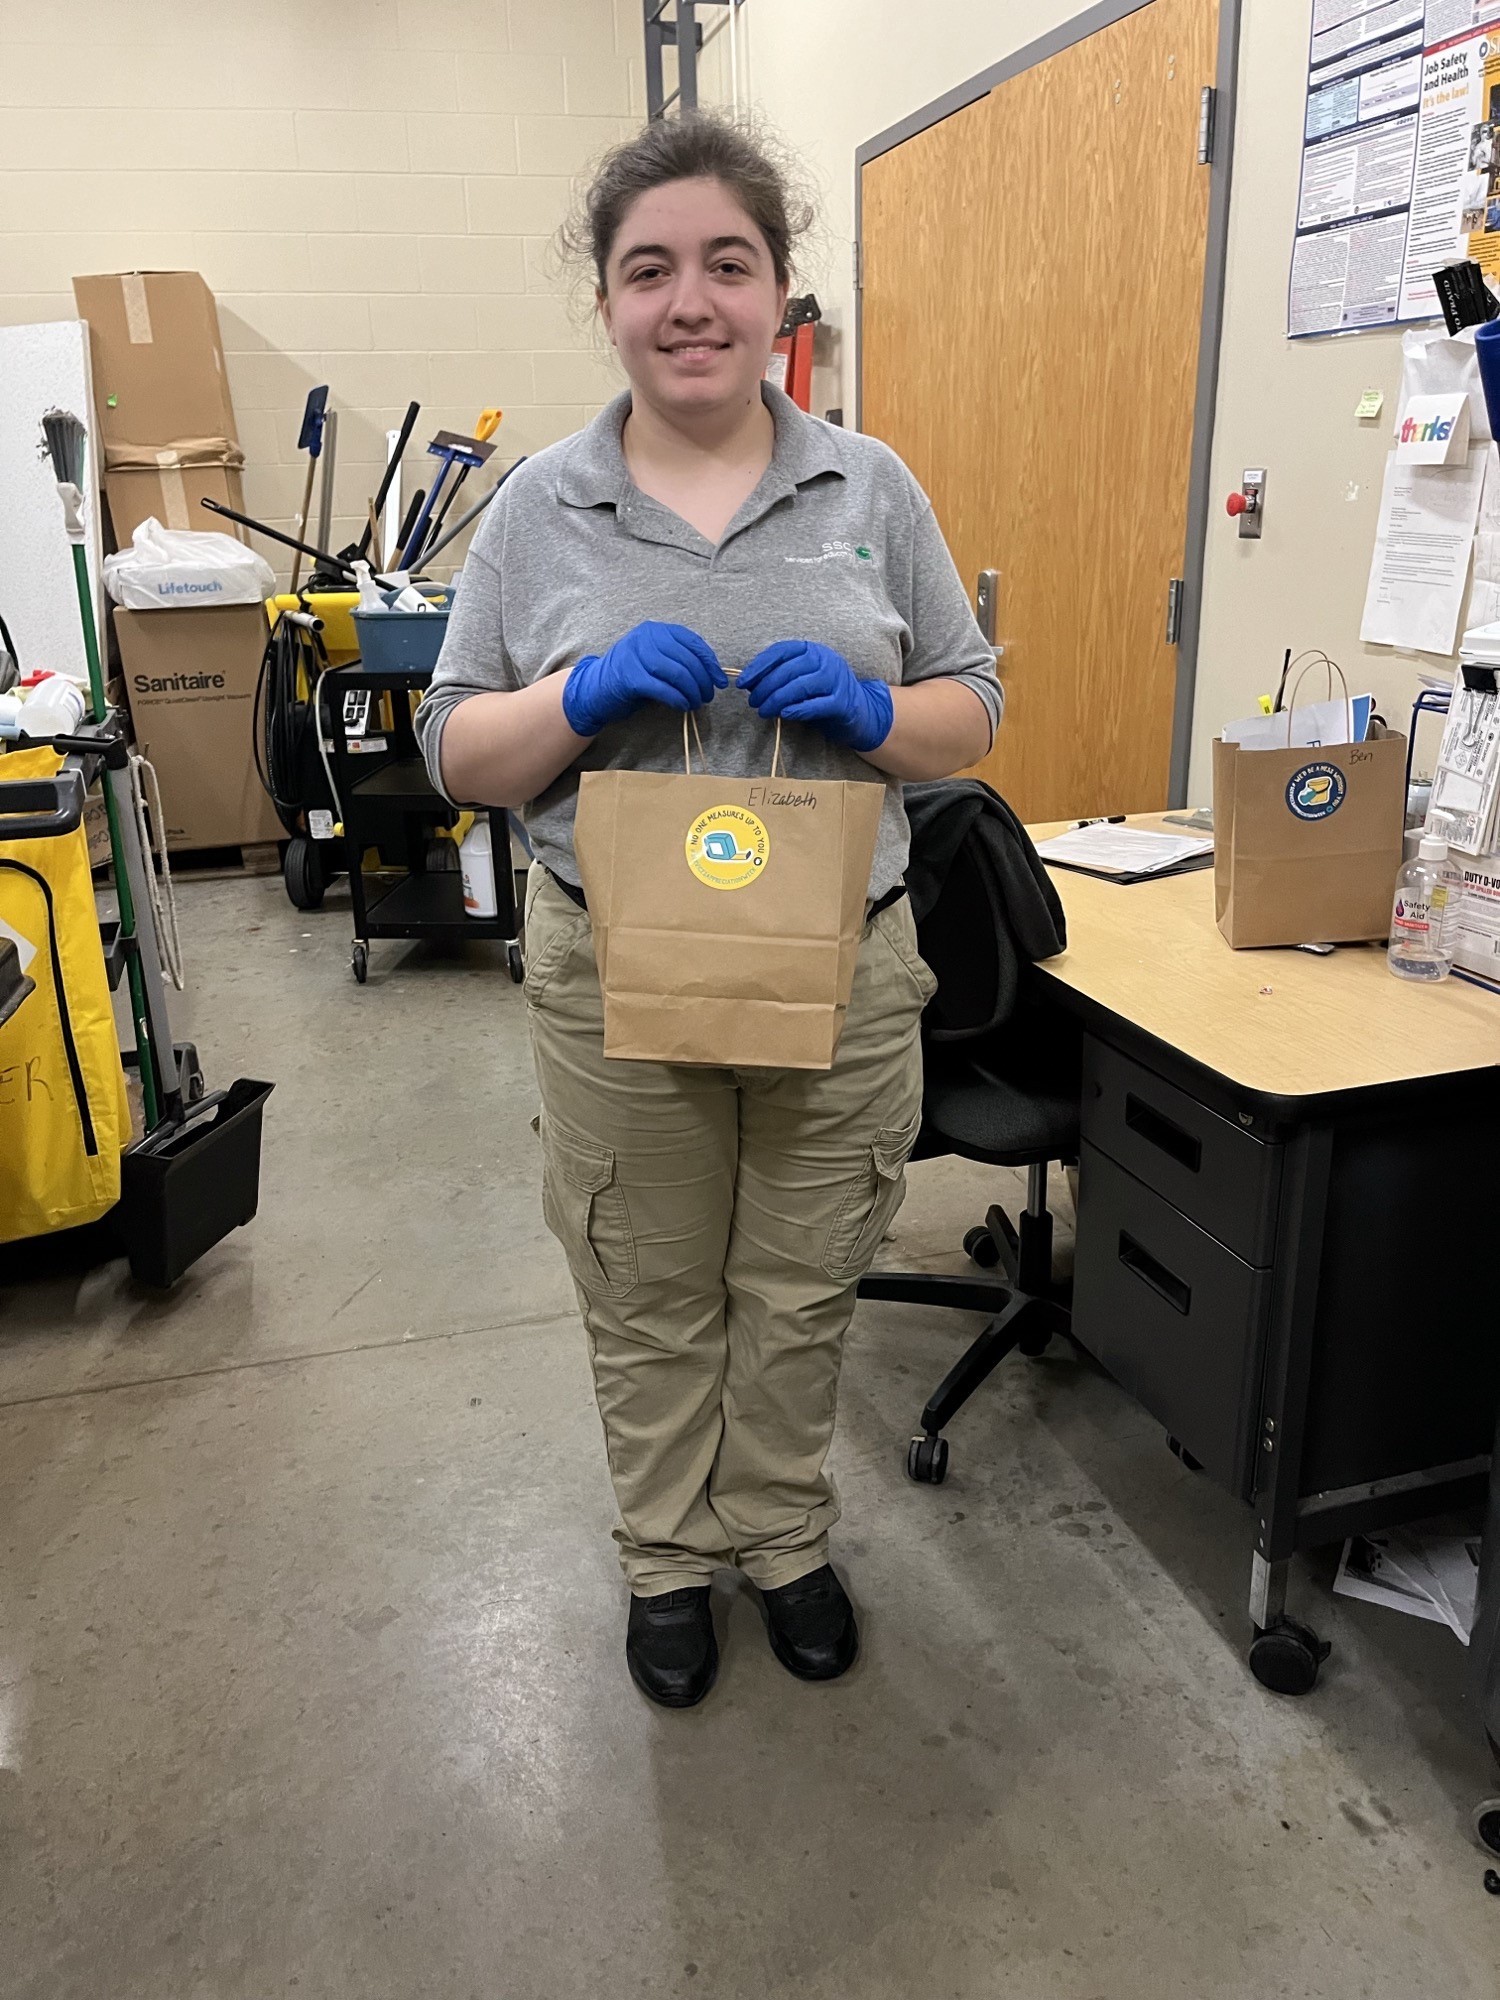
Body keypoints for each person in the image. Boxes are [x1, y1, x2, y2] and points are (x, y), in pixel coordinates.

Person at [416, 112, 1001, 1709]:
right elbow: (455, 751)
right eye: (649, 268)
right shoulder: (544, 505)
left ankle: (787, 1536)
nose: (691, 301)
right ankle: (670, 1560)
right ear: (606, 301)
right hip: (616, 966)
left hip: (843, 962)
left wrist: (877, 716)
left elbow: (975, 708)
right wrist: (578, 693)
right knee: (648, 1281)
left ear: (779, 293)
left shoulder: (869, 488)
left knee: (805, 1279)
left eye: (726, 265)